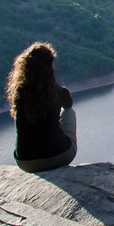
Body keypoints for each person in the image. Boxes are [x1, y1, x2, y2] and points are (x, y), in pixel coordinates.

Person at [7, 42, 77, 173]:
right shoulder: (56, 91)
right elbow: (68, 105)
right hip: (59, 156)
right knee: (69, 112)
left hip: (25, 162)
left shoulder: (19, 93)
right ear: (49, 65)